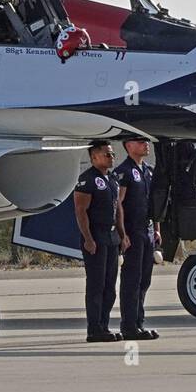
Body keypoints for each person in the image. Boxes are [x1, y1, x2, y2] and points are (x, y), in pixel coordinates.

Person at [73, 141, 128, 342]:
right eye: (107, 154)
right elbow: (80, 210)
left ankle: (104, 325)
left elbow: (117, 208)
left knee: (110, 286)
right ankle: (94, 328)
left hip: (112, 238)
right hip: (95, 238)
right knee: (96, 285)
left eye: (112, 154)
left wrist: (122, 235)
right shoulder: (87, 179)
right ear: (94, 157)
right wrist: (88, 238)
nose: (111, 157)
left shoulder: (112, 178)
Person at [114, 135, 159, 340]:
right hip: (132, 231)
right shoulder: (123, 172)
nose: (145, 144)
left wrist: (157, 228)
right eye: (140, 142)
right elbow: (119, 204)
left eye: (146, 142)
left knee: (144, 280)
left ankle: (139, 322)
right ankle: (129, 325)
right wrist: (122, 233)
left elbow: (153, 204)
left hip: (147, 230)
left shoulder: (148, 171)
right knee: (132, 280)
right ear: (129, 145)